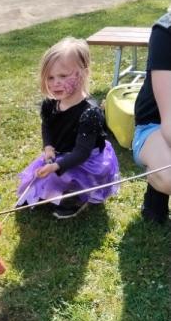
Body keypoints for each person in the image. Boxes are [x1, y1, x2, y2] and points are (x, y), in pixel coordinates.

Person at [16, 37, 119, 219]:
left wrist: (57, 166)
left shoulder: (89, 113)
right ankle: (51, 191)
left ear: (83, 74)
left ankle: (77, 197)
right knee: (37, 180)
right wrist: (48, 147)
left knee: (65, 177)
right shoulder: (50, 105)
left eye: (63, 76)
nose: (55, 82)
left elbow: (82, 153)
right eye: (50, 77)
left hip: (86, 162)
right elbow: (47, 126)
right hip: (61, 155)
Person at [133, 10, 171, 224]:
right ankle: (157, 177)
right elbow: (169, 122)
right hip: (156, 124)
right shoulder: (166, 31)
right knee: (169, 176)